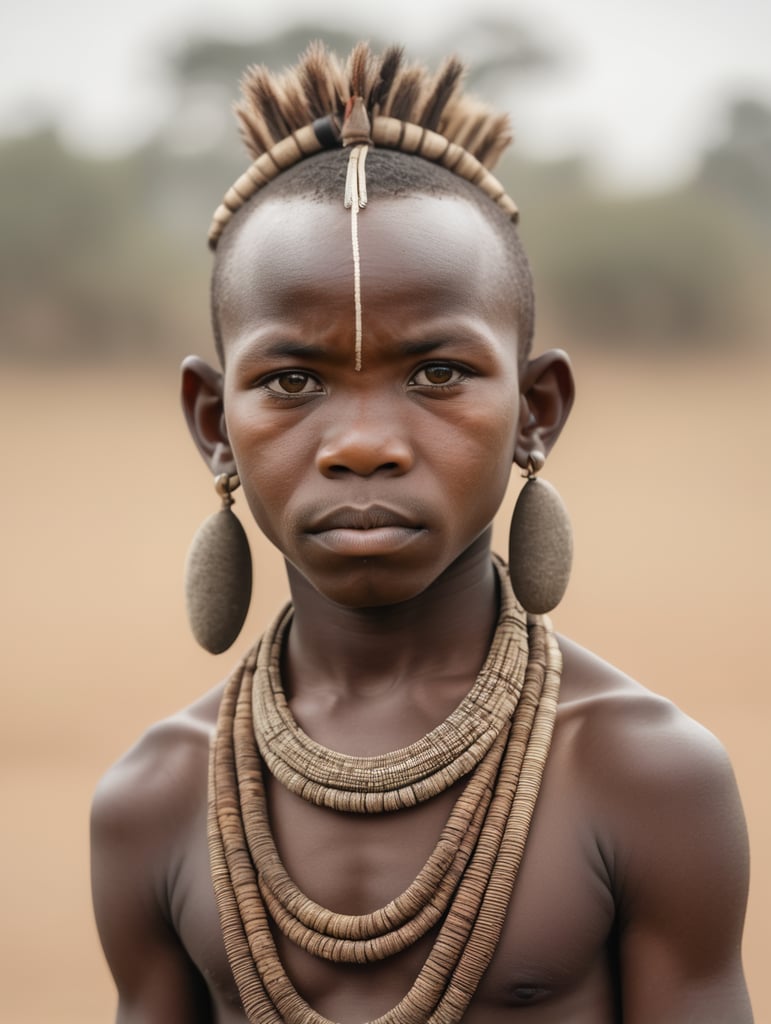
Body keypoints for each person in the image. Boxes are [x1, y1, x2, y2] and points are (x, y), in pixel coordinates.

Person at [90, 42, 753, 1023]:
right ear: (211, 421)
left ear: (536, 410)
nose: (362, 443)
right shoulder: (155, 798)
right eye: (292, 381)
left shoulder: (644, 775)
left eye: (437, 372)